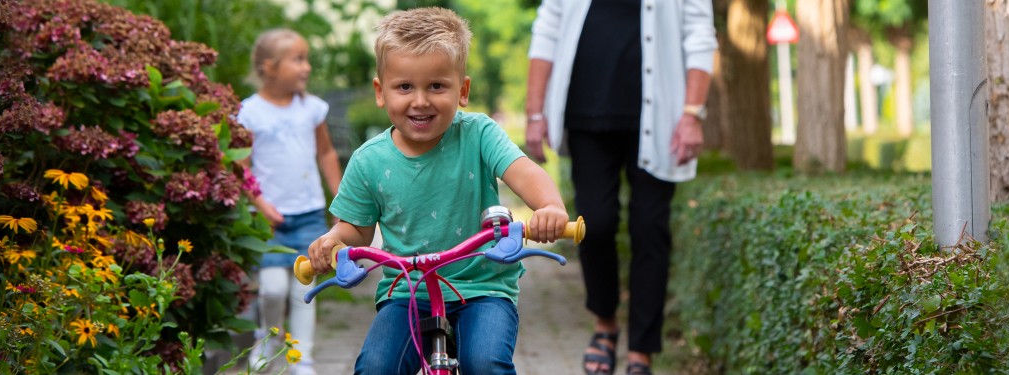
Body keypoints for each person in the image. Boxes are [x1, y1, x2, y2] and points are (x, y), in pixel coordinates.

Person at [305, 7, 571, 375]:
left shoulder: (478, 134)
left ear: (462, 91)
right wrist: (334, 240)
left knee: (486, 362)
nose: (420, 101)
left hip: (483, 286)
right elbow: (357, 230)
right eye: (404, 87)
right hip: (406, 291)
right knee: (375, 367)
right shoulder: (369, 161)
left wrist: (550, 207)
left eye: (436, 86)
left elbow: (525, 172)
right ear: (381, 92)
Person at [525, 0, 717, 374]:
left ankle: (641, 351)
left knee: (650, 229)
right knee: (594, 222)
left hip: (658, 118)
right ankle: (605, 323)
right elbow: (546, 29)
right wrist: (535, 113)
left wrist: (692, 113)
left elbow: (699, 34)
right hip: (586, 112)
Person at [237, 28, 343, 375]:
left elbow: (326, 153)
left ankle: (303, 359)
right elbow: (242, 166)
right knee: (271, 289)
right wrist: (260, 204)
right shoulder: (250, 112)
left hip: (309, 213)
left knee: (303, 290)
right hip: (269, 219)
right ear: (269, 67)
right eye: (298, 59)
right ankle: (267, 338)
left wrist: (342, 201)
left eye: (306, 59)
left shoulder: (312, 109)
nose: (306, 67)